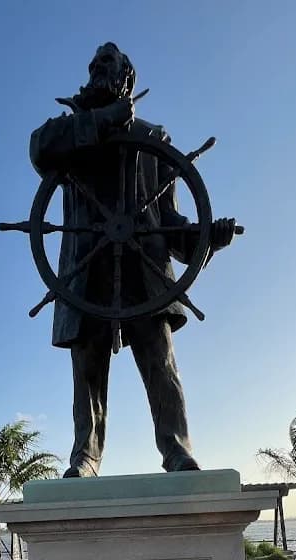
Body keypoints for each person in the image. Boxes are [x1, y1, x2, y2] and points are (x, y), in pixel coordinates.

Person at [30, 42, 235, 477]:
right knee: (86, 369)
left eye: (107, 64)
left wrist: (205, 239)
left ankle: (177, 451)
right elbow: (39, 149)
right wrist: (105, 120)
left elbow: (170, 222)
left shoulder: (153, 139)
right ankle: (85, 455)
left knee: (161, 361)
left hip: (144, 271)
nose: (97, 70)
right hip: (86, 271)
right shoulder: (70, 134)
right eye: (93, 64)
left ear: (126, 78)